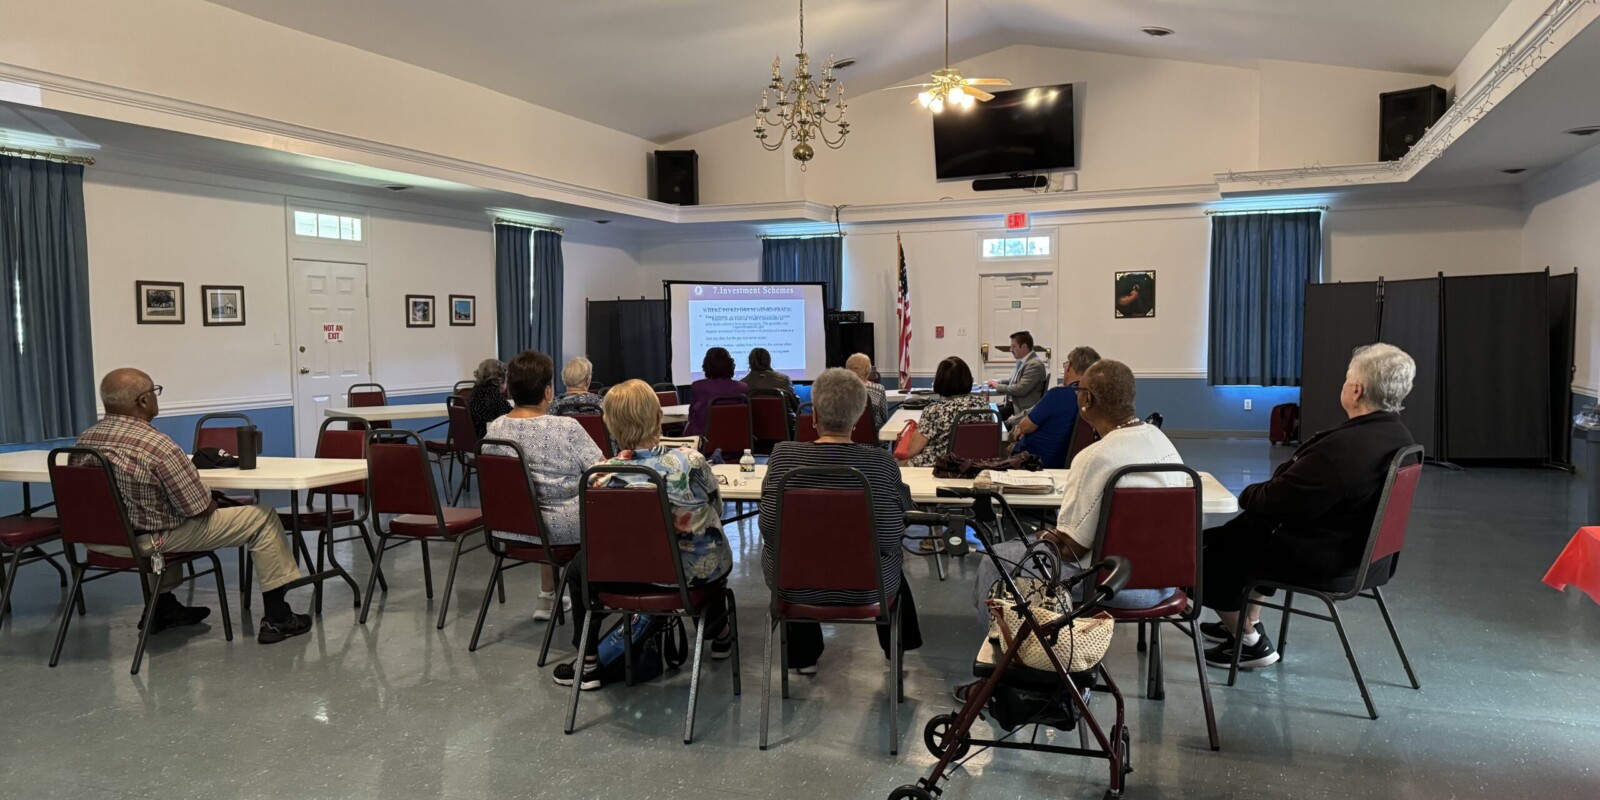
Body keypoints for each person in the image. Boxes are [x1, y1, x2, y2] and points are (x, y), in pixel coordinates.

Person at [959, 359, 1185, 700]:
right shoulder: (1162, 442)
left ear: (1087, 400)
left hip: (1111, 587)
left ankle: (1002, 684)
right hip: (1166, 584)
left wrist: (1043, 536)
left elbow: (1072, 548)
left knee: (996, 561)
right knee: (1020, 555)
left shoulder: (1096, 457)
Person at [1199, 343, 1417, 670]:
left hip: (1326, 561)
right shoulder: (1397, 435)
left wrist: (1248, 494)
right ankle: (1245, 616)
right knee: (1250, 532)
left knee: (1198, 554)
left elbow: (1275, 500)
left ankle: (1248, 640)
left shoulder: (1344, 451)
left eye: (1346, 379)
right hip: (1363, 556)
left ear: (1356, 390)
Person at [74, 368, 311, 643]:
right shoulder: (157, 446)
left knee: (162, 514)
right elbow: (197, 509)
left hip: (100, 541)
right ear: (143, 401)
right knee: (263, 517)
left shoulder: (85, 440)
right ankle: (278, 617)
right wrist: (214, 502)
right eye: (154, 391)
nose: (155, 397)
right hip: (148, 543)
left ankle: (162, 607)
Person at [556, 379, 734, 690]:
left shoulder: (599, 476)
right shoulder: (690, 462)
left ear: (610, 424)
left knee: (579, 566)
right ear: (657, 416)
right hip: (688, 576)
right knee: (707, 548)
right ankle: (719, 636)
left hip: (627, 576)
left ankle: (588, 659)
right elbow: (716, 507)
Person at [760, 368, 923, 673]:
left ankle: (804, 658)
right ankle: (895, 653)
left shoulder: (782, 457)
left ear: (814, 415)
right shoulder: (881, 463)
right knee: (891, 567)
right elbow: (891, 535)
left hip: (794, 588)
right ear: (859, 415)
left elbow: (770, 529)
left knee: (796, 554)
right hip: (868, 587)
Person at [483, 350, 604, 624]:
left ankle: (548, 595)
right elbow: (602, 472)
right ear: (548, 392)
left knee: (537, 505)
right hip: (561, 530)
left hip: (510, 527)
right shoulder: (566, 428)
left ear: (510, 390)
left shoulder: (494, 430)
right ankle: (610, 599)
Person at [1013, 346, 1101, 468]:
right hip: (1069, 463)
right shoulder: (1094, 399)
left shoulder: (1058, 394)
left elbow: (1025, 426)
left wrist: (1022, 430)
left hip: (1033, 462)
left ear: (1069, 366)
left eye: (1065, 363)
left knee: (998, 442)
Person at [900, 356, 990, 468]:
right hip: (975, 464)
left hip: (941, 464)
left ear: (940, 381)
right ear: (967, 379)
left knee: (897, 465)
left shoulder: (934, 410)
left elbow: (912, 450)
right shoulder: (983, 405)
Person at [987, 330, 1048, 427]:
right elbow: (1014, 381)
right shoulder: (1025, 361)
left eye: (1013, 346)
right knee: (988, 411)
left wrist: (997, 386)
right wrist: (998, 381)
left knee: (989, 417)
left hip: (1021, 409)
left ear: (1024, 346)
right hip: (1014, 404)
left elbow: (1020, 389)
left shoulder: (1034, 365)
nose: (1011, 350)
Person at [685, 347, 748, 437]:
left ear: (706, 366)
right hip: (736, 440)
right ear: (731, 366)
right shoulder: (743, 388)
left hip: (704, 442)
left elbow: (691, 415)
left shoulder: (698, 387)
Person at [741, 347, 800, 412]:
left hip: (753, 422)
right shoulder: (784, 379)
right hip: (784, 421)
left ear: (750, 363)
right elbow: (796, 406)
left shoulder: (742, 385)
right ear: (769, 361)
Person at [466, 358, 512, 439]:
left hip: (476, 436)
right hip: (488, 438)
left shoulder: (476, 390)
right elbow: (511, 414)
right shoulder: (492, 393)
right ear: (501, 378)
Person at [846, 352, 889, 429]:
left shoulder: (839, 391)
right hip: (875, 438)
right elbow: (884, 418)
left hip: (846, 438)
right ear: (868, 370)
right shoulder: (879, 390)